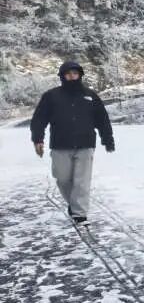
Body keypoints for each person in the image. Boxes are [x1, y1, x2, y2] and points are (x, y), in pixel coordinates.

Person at [30, 61, 115, 225]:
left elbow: (102, 119)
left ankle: (79, 213)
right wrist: (37, 139)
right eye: (68, 74)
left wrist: (108, 138)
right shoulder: (51, 96)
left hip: (86, 143)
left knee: (82, 181)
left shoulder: (90, 96)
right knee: (62, 179)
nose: (72, 76)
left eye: (75, 73)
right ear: (62, 76)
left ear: (80, 75)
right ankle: (74, 204)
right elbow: (39, 119)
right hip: (60, 144)